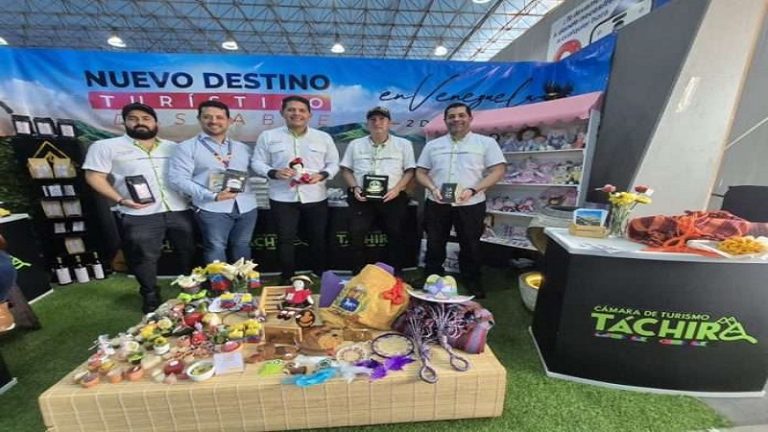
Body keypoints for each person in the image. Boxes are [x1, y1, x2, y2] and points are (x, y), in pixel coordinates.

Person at [83, 103, 194, 313]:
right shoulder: (106, 146)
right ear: (124, 122)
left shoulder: (173, 147)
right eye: (133, 119)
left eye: (146, 118)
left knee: (188, 251)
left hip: (179, 208)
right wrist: (120, 199)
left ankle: (191, 289)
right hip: (139, 213)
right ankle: (150, 294)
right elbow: (94, 176)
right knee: (144, 257)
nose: (140, 122)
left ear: (156, 123)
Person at [416, 102, 506, 298]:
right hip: (437, 203)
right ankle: (431, 276)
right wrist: (433, 188)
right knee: (434, 242)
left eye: (461, 115)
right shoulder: (433, 145)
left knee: (471, 244)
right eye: (451, 116)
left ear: (470, 118)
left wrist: (473, 190)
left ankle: (472, 279)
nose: (456, 119)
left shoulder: (486, 143)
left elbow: (498, 171)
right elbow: (420, 172)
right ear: (445, 120)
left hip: (471, 203)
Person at [251, 96, 339, 283]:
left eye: (302, 110)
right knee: (285, 239)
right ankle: (287, 276)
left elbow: (334, 164)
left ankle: (319, 273)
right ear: (282, 113)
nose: (296, 114)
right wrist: (274, 172)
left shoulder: (323, 137)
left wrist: (322, 175)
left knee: (317, 237)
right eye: (291, 110)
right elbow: (257, 162)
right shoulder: (268, 136)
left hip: (315, 196)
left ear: (309, 115)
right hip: (282, 198)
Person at [168, 100, 258, 264]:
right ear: (199, 119)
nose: (213, 121)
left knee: (242, 245)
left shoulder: (242, 148)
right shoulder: (186, 147)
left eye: (219, 117)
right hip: (211, 207)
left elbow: (257, 170)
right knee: (215, 247)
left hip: (246, 205)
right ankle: (219, 281)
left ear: (229, 121)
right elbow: (177, 179)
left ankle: (243, 279)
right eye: (207, 117)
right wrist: (212, 195)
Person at [340, 106, 415, 276]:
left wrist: (397, 189)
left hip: (392, 197)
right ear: (367, 124)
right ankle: (358, 274)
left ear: (390, 123)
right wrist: (354, 187)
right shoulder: (355, 144)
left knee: (396, 235)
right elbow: (346, 170)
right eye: (373, 120)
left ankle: (395, 274)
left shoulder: (404, 144)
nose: (377, 123)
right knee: (356, 235)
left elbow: (410, 171)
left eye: (382, 119)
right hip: (361, 198)